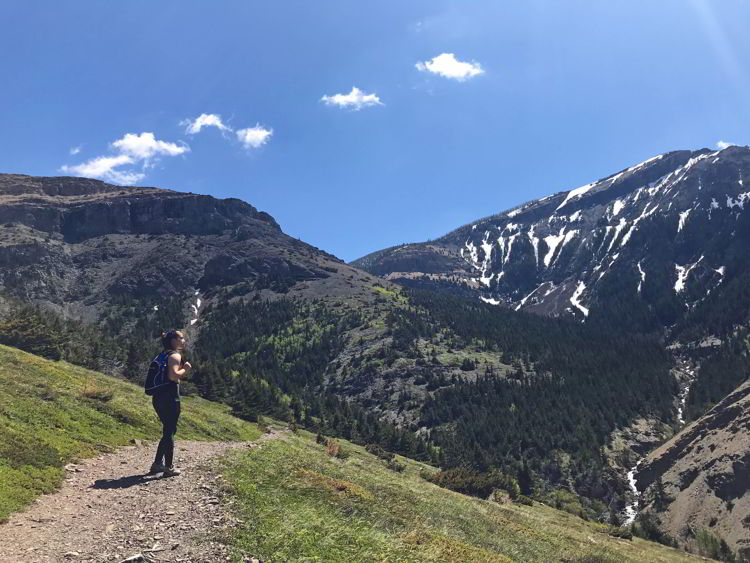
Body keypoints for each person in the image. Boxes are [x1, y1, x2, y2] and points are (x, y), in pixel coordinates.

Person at [149, 330, 191, 476]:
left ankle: (157, 464)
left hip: (158, 397)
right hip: (170, 397)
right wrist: (185, 369)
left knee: (168, 430)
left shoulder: (162, 355)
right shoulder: (174, 355)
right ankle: (168, 467)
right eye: (181, 338)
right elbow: (173, 376)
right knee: (169, 431)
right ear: (173, 340)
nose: (183, 340)